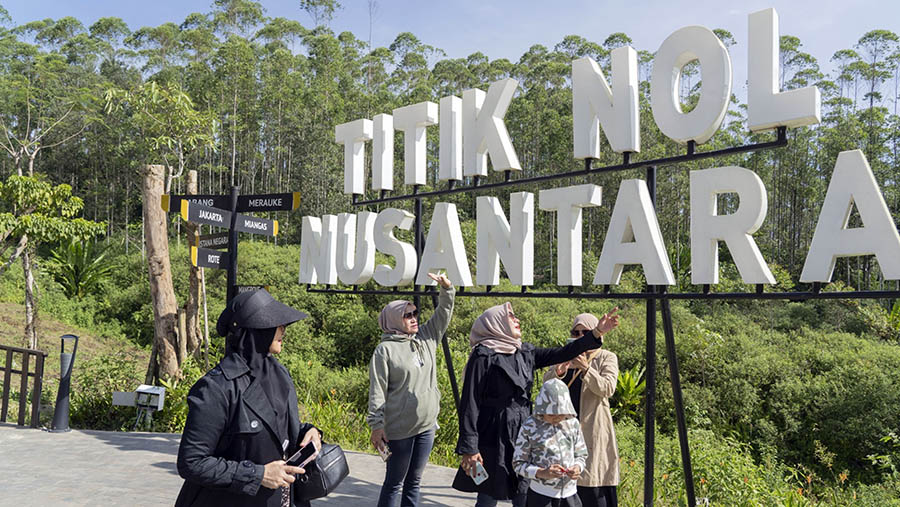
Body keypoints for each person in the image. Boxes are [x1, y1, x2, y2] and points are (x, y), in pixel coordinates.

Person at [452, 302, 620, 507]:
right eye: (511, 317)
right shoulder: (483, 356)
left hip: (523, 429)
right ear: (496, 323)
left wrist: (596, 332)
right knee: (489, 493)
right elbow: (470, 402)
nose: (517, 320)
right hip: (493, 432)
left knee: (523, 491)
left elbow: (563, 353)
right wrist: (470, 447)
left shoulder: (524, 352)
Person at [175, 289, 322, 507]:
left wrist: (309, 432)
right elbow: (192, 462)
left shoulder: (279, 375)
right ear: (256, 331)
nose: (283, 330)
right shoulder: (216, 387)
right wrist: (258, 474)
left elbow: (277, 428)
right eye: (276, 325)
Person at [368, 272, 456, 507]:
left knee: (414, 481)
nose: (414, 318)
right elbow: (377, 390)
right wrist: (377, 426)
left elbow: (444, 313)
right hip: (400, 430)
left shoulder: (426, 337)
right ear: (395, 319)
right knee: (394, 483)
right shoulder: (384, 350)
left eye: (415, 313)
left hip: (426, 426)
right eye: (407, 315)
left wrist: (447, 289)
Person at [545, 314, 620, 507]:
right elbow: (546, 388)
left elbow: (608, 388)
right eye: (575, 332)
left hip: (592, 431)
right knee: (565, 487)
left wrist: (586, 368)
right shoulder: (566, 354)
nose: (580, 336)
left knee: (592, 485)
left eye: (585, 332)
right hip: (563, 433)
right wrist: (558, 371)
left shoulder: (606, 357)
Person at [512, 378, 588, 507]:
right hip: (540, 496)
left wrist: (578, 467)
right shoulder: (530, 426)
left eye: (561, 414)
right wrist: (542, 472)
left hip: (570, 495)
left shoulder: (572, 423)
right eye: (551, 414)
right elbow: (518, 464)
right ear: (542, 409)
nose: (557, 418)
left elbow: (581, 454)